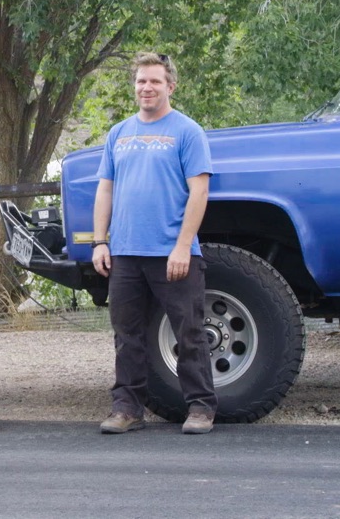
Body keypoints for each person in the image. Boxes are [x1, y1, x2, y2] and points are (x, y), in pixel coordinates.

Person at [92, 51, 217, 435]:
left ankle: (200, 407)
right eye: (141, 81)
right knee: (127, 335)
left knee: (189, 333)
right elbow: (105, 190)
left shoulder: (187, 132)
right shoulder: (118, 133)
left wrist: (182, 246)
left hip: (172, 253)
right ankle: (127, 409)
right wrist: (99, 242)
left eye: (155, 81)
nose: (146, 87)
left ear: (170, 86)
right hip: (125, 253)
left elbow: (199, 192)